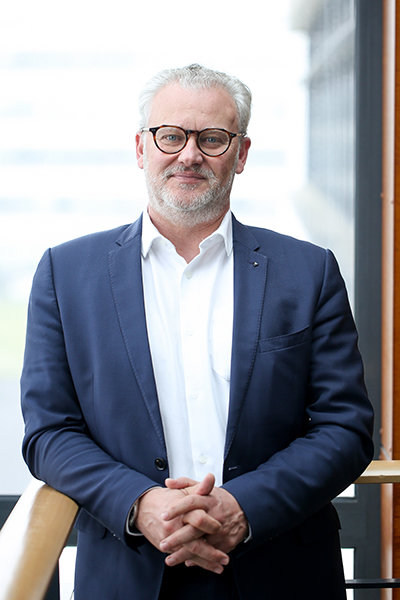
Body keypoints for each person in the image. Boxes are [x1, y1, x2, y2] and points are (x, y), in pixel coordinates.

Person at [21, 64, 374, 600]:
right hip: (131, 571)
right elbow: (49, 432)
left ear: (242, 153)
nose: (189, 155)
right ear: (141, 147)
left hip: (280, 571)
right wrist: (140, 503)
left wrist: (243, 508)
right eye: (171, 136)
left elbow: (346, 428)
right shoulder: (65, 274)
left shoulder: (309, 271)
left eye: (212, 138)